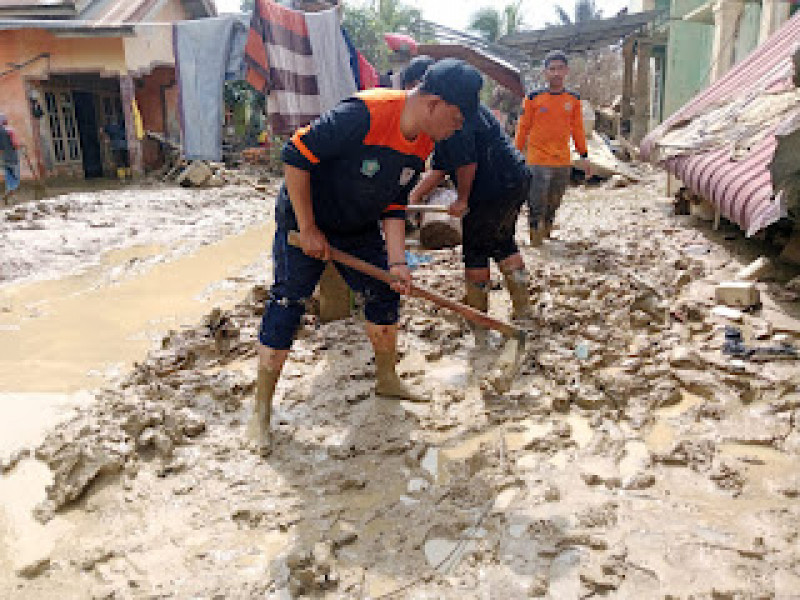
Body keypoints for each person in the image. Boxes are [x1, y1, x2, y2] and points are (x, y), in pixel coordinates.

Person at [253, 59, 483, 450]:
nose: (458, 127)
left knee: (384, 292)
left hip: (357, 225)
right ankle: (261, 410)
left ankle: (387, 379)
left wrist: (396, 264)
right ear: (433, 104)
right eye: (457, 117)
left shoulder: (424, 140)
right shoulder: (365, 113)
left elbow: (394, 203)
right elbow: (296, 155)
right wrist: (308, 228)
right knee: (288, 302)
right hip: (305, 219)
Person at [410, 102, 533, 325]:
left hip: (490, 187)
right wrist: (414, 197)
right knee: (502, 241)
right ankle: (523, 309)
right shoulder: (468, 105)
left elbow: (466, 163)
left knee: (475, 249)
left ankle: (479, 319)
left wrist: (462, 199)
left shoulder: (452, 115)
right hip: (516, 179)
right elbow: (440, 168)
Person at [515, 50, 591, 246]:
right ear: (545, 72)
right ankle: (535, 235)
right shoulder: (533, 98)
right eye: (552, 69)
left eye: (560, 69)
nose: (556, 73)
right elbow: (523, 127)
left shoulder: (573, 99)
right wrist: (515, 153)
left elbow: (578, 129)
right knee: (536, 199)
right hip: (538, 159)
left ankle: (547, 229)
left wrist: (584, 155)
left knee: (554, 200)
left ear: (566, 71)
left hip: (562, 160)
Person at [0, 113, 21, 205]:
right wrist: (21, 145)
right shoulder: (10, 130)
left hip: (3, 157)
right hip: (12, 156)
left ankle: (7, 194)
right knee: (15, 176)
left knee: (8, 176)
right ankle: (13, 196)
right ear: (5, 121)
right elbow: (15, 144)